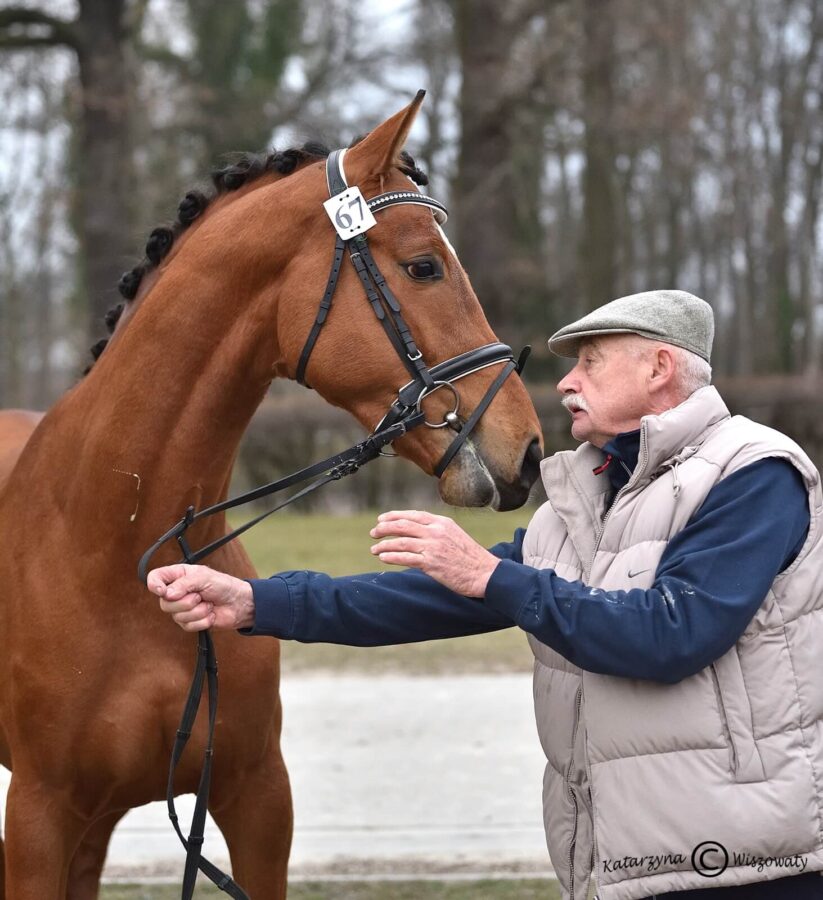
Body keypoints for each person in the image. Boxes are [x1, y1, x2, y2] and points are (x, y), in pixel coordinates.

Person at [147, 290, 823, 900]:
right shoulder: (585, 497)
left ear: (658, 369)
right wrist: (255, 602)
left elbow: (670, 634)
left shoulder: (752, 474)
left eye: (590, 362)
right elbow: (433, 598)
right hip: (619, 865)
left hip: (748, 867)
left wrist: (490, 576)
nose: (566, 382)